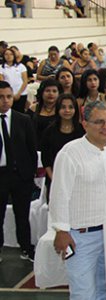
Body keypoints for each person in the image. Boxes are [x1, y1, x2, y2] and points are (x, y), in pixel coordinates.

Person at [49, 100, 106, 299]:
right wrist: (61, 231)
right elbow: (59, 194)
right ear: (85, 124)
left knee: (105, 288)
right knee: (83, 292)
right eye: (99, 122)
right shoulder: (70, 153)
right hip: (80, 236)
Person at [0, 80, 38, 261]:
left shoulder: (23, 120)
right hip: (0, 175)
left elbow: (32, 149)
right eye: (1, 97)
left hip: (20, 175)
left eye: (8, 96)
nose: (5, 100)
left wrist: (29, 174)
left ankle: (26, 247)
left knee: (22, 215)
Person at [40, 94, 85, 201]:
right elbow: (45, 158)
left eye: (70, 107)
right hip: (55, 179)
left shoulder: (81, 131)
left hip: (78, 181)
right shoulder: (49, 131)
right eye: (63, 107)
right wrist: (55, 179)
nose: (67, 110)